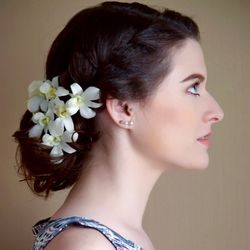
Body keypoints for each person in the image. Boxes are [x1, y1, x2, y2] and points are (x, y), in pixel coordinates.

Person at [13, 1, 224, 250]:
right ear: (124, 108)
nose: (217, 112)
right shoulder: (89, 246)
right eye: (192, 87)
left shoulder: (109, 238)